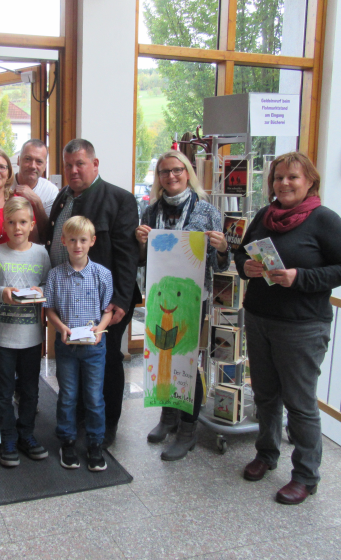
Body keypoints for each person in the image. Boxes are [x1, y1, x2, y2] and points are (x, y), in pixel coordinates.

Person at [233, 151, 341, 505]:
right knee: (266, 395)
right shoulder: (264, 216)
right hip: (259, 319)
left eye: (293, 177)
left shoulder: (324, 221)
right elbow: (241, 254)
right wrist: (247, 268)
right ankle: (266, 454)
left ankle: (305, 475)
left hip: (302, 327)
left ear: (310, 182)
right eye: (278, 178)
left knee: (301, 405)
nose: (284, 183)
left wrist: (299, 277)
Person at [44, 138, 141, 448]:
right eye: (69, 165)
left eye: (80, 164)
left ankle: (108, 422)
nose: (74, 170)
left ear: (95, 164)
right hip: (68, 300)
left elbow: (127, 255)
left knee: (108, 360)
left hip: (105, 304)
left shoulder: (119, 199)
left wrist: (121, 300)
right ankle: (83, 416)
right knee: (76, 358)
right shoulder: (63, 197)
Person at [135, 150, 230, 461]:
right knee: (163, 353)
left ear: (187, 173)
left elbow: (221, 263)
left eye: (176, 170)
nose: (171, 176)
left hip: (192, 298)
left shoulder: (206, 211)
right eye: (164, 172)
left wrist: (222, 248)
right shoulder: (150, 213)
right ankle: (168, 417)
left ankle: (188, 429)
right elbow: (142, 260)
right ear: (159, 178)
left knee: (187, 359)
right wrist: (140, 242)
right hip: (160, 296)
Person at [0, 197, 51, 467]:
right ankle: (8, 437)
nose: (17, 227)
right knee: (3, 391)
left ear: (32, 224)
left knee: (30, 390)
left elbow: (50, 284)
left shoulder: (41, 254)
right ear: (4, 225)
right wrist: (3, 293)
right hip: (2, 337)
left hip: (32, 337)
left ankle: (26, 434)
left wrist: (41, 292)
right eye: (11, 222)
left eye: (23, 222)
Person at [44, 216, 113, 471]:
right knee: (68, 395)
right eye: (72, 240)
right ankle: (68, 441)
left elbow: (108, 310)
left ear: (92, 241)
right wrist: (60, 328)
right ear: (63, 241)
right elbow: (49, 309)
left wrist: (101, 329)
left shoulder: (102, 275)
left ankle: (95, 443)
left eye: (83, 240)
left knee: (94, 397)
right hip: (67, 347)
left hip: (94, 347)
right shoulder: (55, 276)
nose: (77, 245)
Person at [0, 139, 59, 241]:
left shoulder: (48, 192)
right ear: (18, 160)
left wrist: (37, 202)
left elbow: (43, 238)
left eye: (2, 167)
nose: (32, 166)